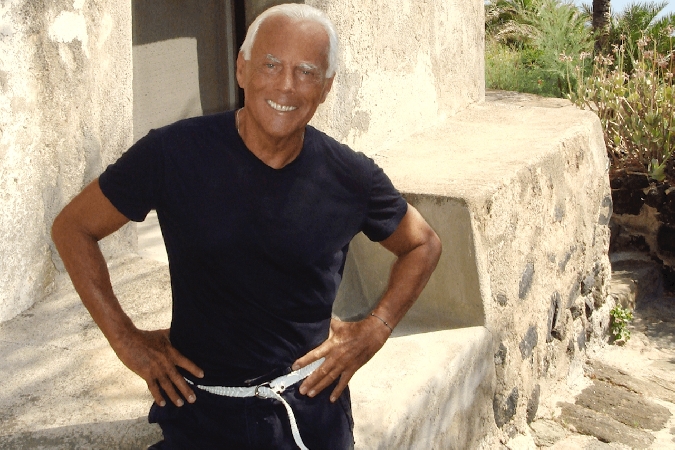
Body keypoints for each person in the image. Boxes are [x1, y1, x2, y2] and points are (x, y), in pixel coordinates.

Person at [51, 4, 441, 449]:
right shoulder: (173, 153)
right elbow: (73, 227)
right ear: (242, 68)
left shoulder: (350, 176)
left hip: (309, 418)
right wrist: (126, 341)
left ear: (326, 87)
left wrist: (377, 328)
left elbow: (423, 244)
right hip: (201, 416)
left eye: (306, 72)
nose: (286, 85)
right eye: (271, 64)